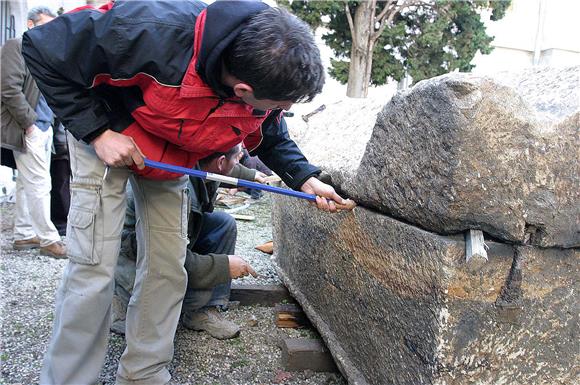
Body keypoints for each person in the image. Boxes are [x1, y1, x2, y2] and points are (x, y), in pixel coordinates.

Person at [22, 1, 348, 384]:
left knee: (167, 267)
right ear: (242, 88)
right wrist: (96, 132)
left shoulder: (264, 77)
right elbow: (40, 48)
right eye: (280, 104)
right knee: (94, 266)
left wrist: (305, 178)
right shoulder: (147, 29)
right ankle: (69, 379)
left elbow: (269, 128)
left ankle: (144, 374)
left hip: (168, 154)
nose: (283, 110)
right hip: (106, 133)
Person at [112, 144, 261, 340]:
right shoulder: (178, 191)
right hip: (137, 255)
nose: (240, 159)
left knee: (223, 224)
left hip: (168, 241)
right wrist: (223, 267)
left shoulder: (200, 159)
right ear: (221, 162)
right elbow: (167, 258)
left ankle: (203, 311)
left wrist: (253, 176)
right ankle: (125, 299)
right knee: (195, 295)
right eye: (237, 158)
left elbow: (228, 167)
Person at [0, 6, 66, 258]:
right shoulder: (16, 46)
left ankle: (24, 233)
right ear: (30, 24)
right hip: (29, 127)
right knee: (40, 183)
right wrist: (30, 124)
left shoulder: (43, 52)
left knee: (29, 184)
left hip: (43, 126)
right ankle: (49, 239)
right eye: (45, 25)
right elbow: (8, 88)